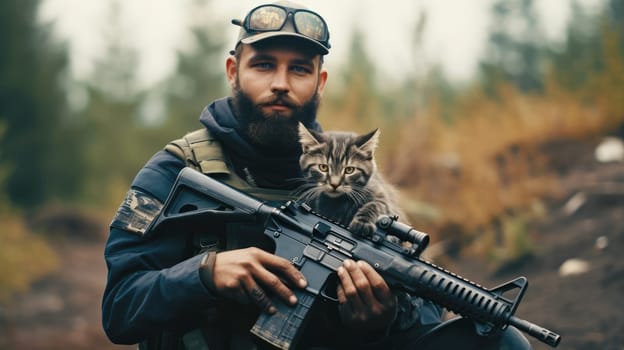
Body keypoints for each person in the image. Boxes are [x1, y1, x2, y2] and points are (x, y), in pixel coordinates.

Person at [102, 1, 531, 349]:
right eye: (264, 65)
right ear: (234, 72)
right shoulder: (177, 171)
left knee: (500, 342)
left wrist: (377, 320)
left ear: (320, 82)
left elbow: (424, 314)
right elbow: (120, 310)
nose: (281, 84)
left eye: (300, 69)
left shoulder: (358, 181)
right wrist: (206, 272)